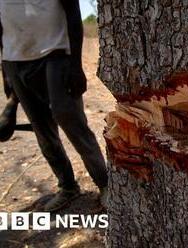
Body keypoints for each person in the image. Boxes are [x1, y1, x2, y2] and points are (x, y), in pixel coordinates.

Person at [0, 0, 109, 211]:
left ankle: (105, 184)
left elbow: (72, 9)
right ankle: (68, 186)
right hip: (15, 59)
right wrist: (5, 69)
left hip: (56, 53)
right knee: (41, 128)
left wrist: (76, 65)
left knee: (70, 119)